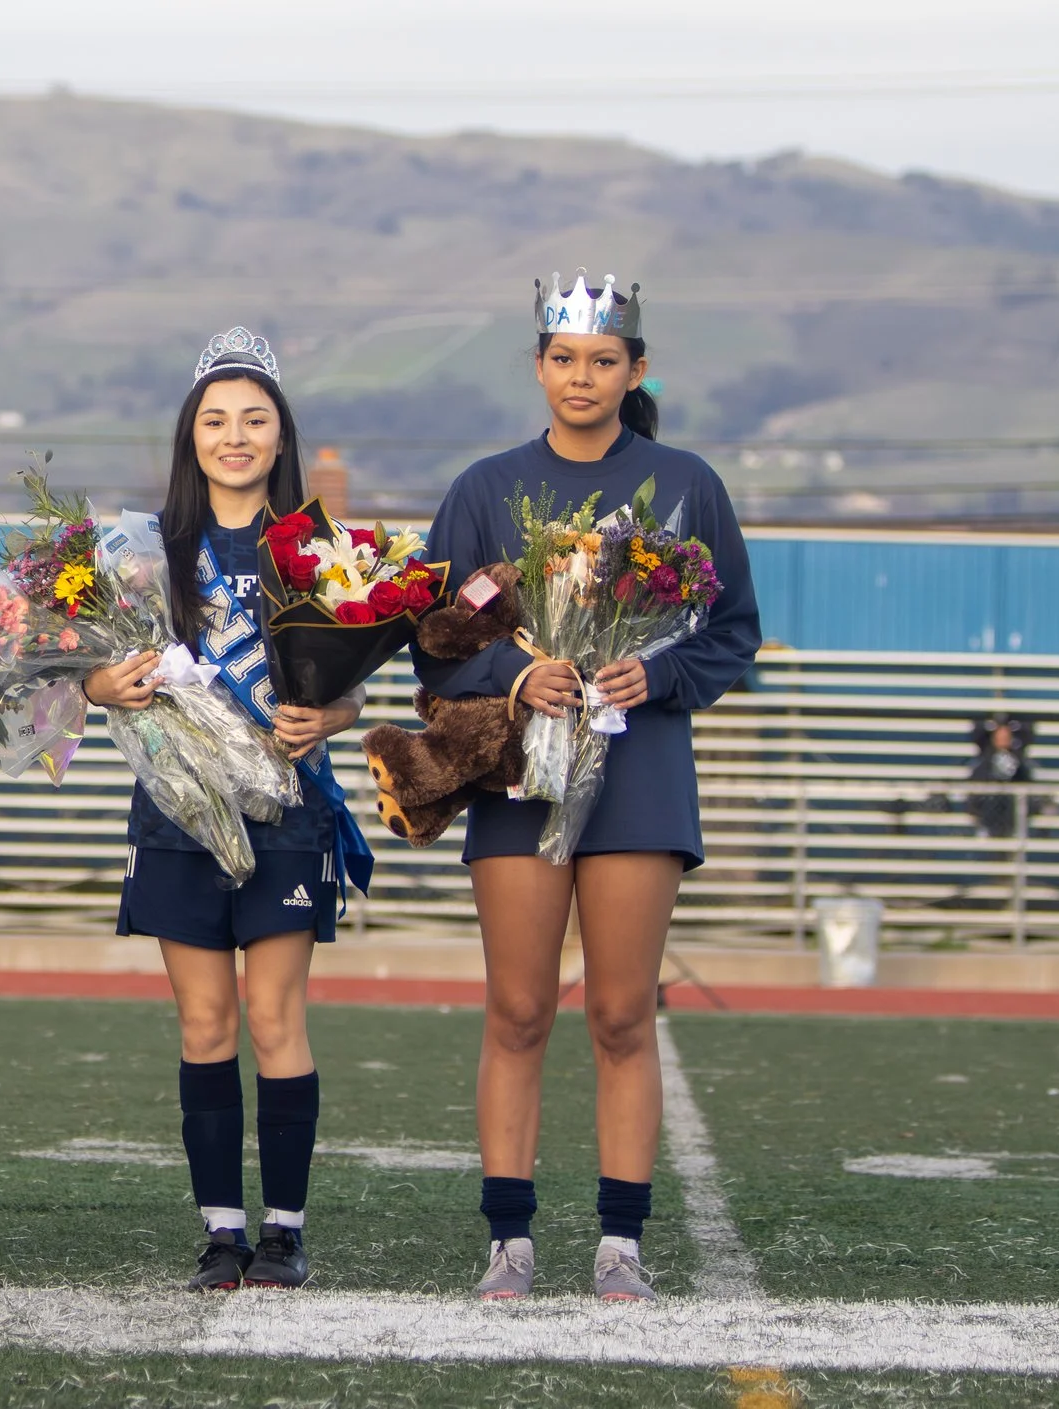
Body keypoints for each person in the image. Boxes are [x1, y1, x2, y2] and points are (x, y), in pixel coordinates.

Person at [416, 273, 759, 1302]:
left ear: (635, 369)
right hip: (521, 776)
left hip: (640, 772)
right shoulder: (483, 490)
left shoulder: (686, 483)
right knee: (517, 1007)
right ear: (537, 366)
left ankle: (620, 1244)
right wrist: (517, 675)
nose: (582, 376)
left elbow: (733, 632)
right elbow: (436, 648)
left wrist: (655, 674)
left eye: (603, 360)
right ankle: (508, 1242)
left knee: (620, 1012)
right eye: (563, 358)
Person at [81, 327, 372, 1292]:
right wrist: (98, 685)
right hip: (177, 810)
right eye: (216, 419)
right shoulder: (143, 549)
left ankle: (284, 1231)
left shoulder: (320, 549)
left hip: (287, 810)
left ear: (282, 436)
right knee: (204, 1023)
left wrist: (329, 712)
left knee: (275, 1016)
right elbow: (85, 671)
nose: (235, 436)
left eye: (254, 419)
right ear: (190, 435)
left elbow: (354, 691)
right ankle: (221, 1231)